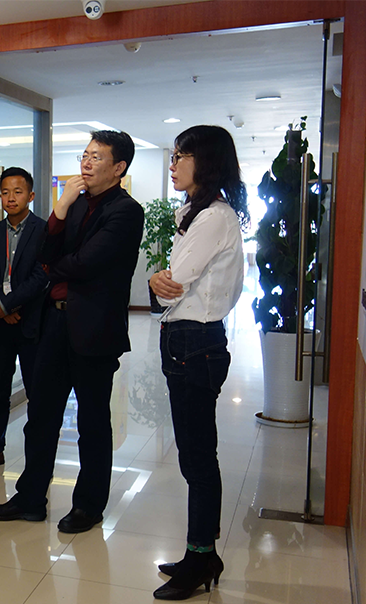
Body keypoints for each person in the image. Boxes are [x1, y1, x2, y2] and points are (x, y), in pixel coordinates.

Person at [0, 130, 144, 534]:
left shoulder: (126, 211)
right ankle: (30, 498)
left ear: (119, 167)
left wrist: (54, 268)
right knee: (41, 416)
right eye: (84, 155)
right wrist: (59, 209)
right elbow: (44, 252)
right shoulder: (75, 204)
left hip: (94, 329)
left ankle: (88, 506)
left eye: (97, 157)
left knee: (92, 422)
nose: (86, 163)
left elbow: (86, 263)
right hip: (54, 323)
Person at [148, 125, 248, 600]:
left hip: (195, 341)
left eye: (180, 157)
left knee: (198, 458)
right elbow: (167, 283)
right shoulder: (196, 212)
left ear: (205, 161)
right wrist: (158, 279)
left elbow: (175, 283)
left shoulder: (212, 218)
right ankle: (200, 553)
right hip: (185, 339)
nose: (173, 166)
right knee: (192, 455)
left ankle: (202, 556)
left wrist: (158, 279)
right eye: (172, 157)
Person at [0, 167, 49, 471]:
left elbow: (41, 276)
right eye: (5, 192)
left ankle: (37, 455)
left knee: (37, 392)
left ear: (30, 195)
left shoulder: (44, 231)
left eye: (17, 191)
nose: (10, 197)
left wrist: (8, 304)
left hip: (29, 323)